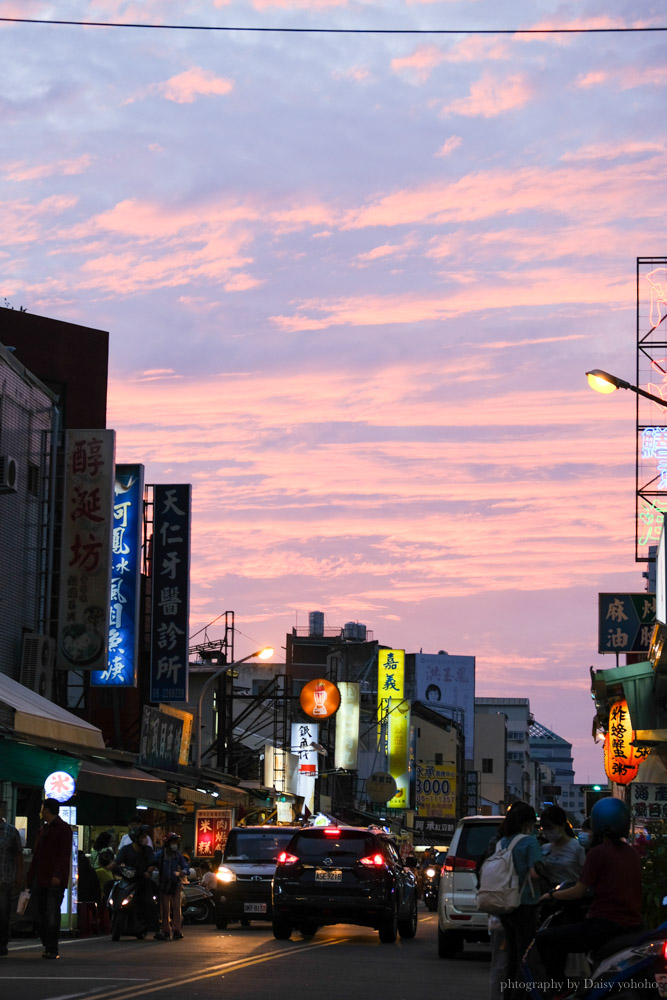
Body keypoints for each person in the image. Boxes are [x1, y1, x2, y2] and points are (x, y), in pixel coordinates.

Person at [536, 798, 642, 995]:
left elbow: (579, 890)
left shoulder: (598, 853)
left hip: (603, 925)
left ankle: (560, 991)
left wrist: (551, 894)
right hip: (632, 925)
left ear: (598, 823)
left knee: (545, 939)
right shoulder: (632, 853)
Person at [496, 801, 542, 997]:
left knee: (511, 956)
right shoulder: (530, 842)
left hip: (504, 905)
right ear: (528, 823)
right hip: (525, 903)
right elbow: (534, 873)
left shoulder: (502, 841)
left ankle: (508, 995)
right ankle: (521, 995)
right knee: (525, 954)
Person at [26, 798, 73, 960]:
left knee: (52, 913)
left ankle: (52, 947)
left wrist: (58, 875)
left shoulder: (62, 829)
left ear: (47, 810)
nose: (41, 811)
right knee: (37, 912)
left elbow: (63, 855)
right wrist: (29, 879)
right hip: (40, 877)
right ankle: (48, 944)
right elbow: (37, 857)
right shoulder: (43, 830)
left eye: (42, 808)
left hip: (53, 879)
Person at [114, 825, 157, 934]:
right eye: (142, 836)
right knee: (112, 889)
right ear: (136, 838)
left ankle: (156, 930)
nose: (145, 838)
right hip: (128, 880)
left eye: (145, 836)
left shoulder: (147, 850)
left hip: (142, 880)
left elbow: (152, 863)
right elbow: (117, 862)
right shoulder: (125, 849)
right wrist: (111, 866)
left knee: (149, 903)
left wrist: (148, 872)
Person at [539, 805, 586, 885]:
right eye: (545, 828)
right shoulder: (545, 849)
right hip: (550, 893)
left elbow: (585, 875)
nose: (548, 832)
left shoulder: (577, 847)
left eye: (551, 827)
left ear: (562, 825)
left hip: (572, 893)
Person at [154, 833, 187, 941]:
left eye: (176, 843)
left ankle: (176, 930)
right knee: (164, 908)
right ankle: (166, 930)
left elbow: (185, 866)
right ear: (167, 843)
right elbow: (152, 863)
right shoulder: (160, 855)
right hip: (163, 884)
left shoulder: (178, 855)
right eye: (173, 842)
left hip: (175, 884)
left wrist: (184, 872)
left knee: (177, 907)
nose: (175, 845)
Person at [0, 802, 23, 958]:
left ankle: (2, 944)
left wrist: (19, 876)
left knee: (3, 913)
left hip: (4, 879)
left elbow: (18, 855)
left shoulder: (10, 831)